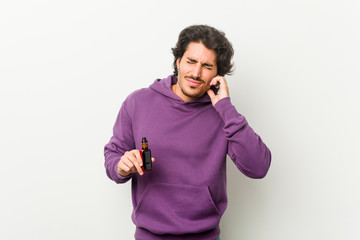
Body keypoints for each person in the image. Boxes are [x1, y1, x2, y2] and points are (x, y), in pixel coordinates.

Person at [104, 25, 271, 240]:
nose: (195, 73)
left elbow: (258, 167)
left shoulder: (223, 114)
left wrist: (226, 108)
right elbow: (113, 155)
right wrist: (121, 166)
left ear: (217, 74)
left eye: (207, 66)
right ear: (178, 62)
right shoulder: (138, 102)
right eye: (191, 62)